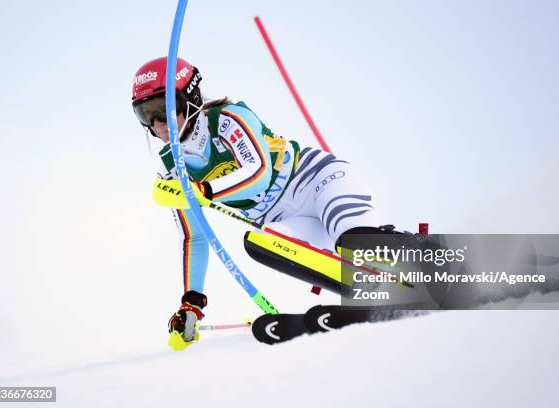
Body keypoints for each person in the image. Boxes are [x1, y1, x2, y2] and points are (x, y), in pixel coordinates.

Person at [131, 56, 384, 346]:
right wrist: (192, 302)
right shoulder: (173, 167)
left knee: (353, 238)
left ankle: (413, 265)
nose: (157, 124)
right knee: (264, 243)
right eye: (145, 115)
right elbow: (194, 237)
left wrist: (204, 190)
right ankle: (365, 297)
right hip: (285, 220)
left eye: (163, 109)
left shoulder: (228, 119)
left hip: (319, 182)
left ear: (190, 97)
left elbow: (260, 173)